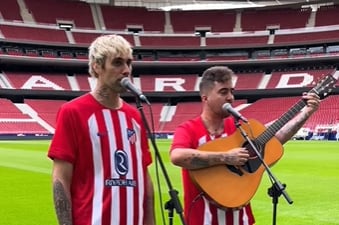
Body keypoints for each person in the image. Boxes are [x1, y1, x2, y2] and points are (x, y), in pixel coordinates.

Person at [169, 66, 320, 225]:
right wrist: (226, 157)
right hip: (202, 220)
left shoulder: (240, 127)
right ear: (205, 98)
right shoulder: (189, 129)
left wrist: (306, 113)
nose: (230, 97)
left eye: (231, 91)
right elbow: (177, 156)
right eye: (223, 92)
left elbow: (274, 139)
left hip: (242, 219)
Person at [48, 34, 155, 225]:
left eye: (129, 63)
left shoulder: (136, 117)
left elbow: (144, 178)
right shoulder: (73, 112)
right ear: (97, 66)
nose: (126, 70)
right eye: (117, 63)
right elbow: (60, 178)